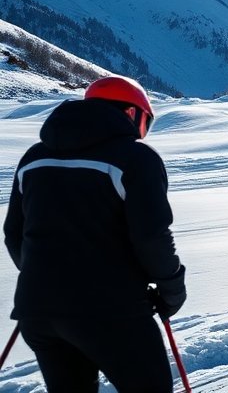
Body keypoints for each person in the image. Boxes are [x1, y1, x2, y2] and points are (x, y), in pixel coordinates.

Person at [4, 75, 186, 393]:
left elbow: (14, 234)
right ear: (131, 114)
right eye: (146, 122)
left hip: (38, 311)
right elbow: (151, 238)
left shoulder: (34, 158)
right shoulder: (135, 158)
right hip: (111, 311)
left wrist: (49, 279)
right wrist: (172, 290)